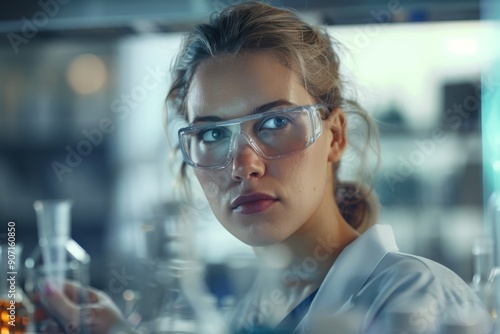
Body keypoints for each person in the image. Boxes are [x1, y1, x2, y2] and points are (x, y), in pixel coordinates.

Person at [41, 2, 493, 333]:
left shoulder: (417, 299)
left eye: (275, 122)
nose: (243, 165)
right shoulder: (250, 316)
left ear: (335, 135)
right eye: (213, 134)